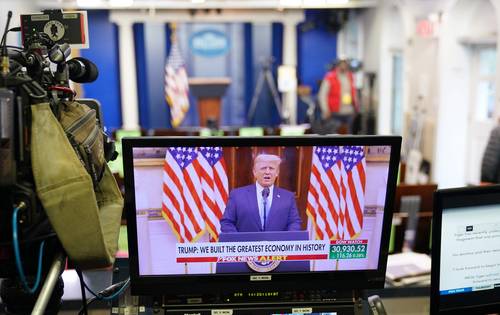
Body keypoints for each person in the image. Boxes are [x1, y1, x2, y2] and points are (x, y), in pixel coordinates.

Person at [220, 154, 302, 232]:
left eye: (271, 168)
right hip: (246, 246)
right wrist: (240, 244)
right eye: (263, 168)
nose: (267, 172)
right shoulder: (237, 195)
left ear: (277, 172)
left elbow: (294, 223)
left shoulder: (288, 197)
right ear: (254, 172)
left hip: (277, 246)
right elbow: (227, 223)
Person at [317, 59, 358, 134]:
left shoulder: (350, 76)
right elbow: (322, 95)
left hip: (349, 111)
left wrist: (356, 108)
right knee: (334, 134)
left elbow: (354, 93)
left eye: (345, 65)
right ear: (337, 66)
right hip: (334, 112)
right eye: (341, 65)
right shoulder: (330, 77)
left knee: (348, 134)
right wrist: (325, 110)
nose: (343, 67)